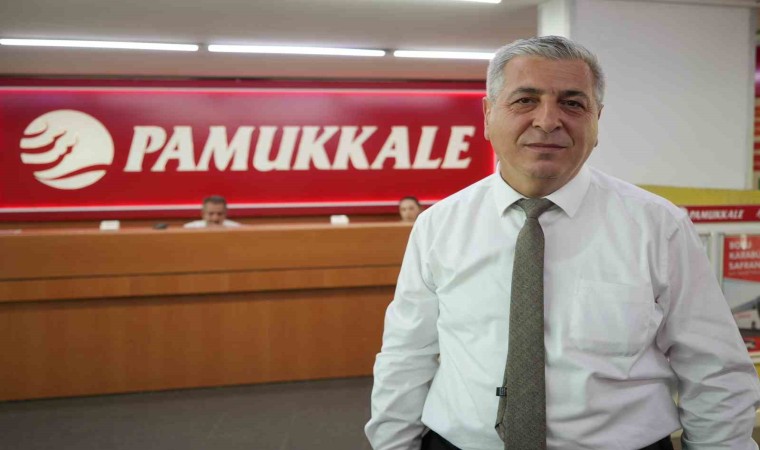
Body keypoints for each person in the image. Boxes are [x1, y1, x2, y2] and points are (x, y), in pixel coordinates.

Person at [366, 36, 760, 450]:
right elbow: (406, 357)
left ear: (597, 120)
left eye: (573, 103)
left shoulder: (659, 227)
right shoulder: (439, 226)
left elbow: (714, 370)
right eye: (525, 100)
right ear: (488, 115)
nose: (548, 120)